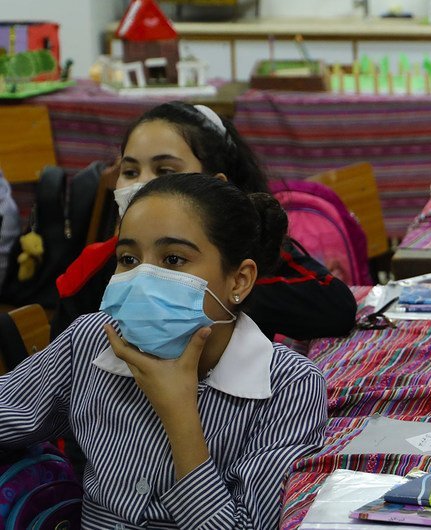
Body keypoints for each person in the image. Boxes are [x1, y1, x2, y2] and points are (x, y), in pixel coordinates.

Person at [0, 174, 327, 528]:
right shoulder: (92, 340)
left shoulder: (289, 386)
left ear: (238, 280)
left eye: (172, 259)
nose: (142, 279)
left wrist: (180, 415)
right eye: (128, 259)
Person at [54, 101, 358, 340]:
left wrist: (221, 290)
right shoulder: (91, 271)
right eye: (130, 172)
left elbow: (336, 307)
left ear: (216, 185)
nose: (142, 186)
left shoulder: (244, 253)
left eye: (165, 172)